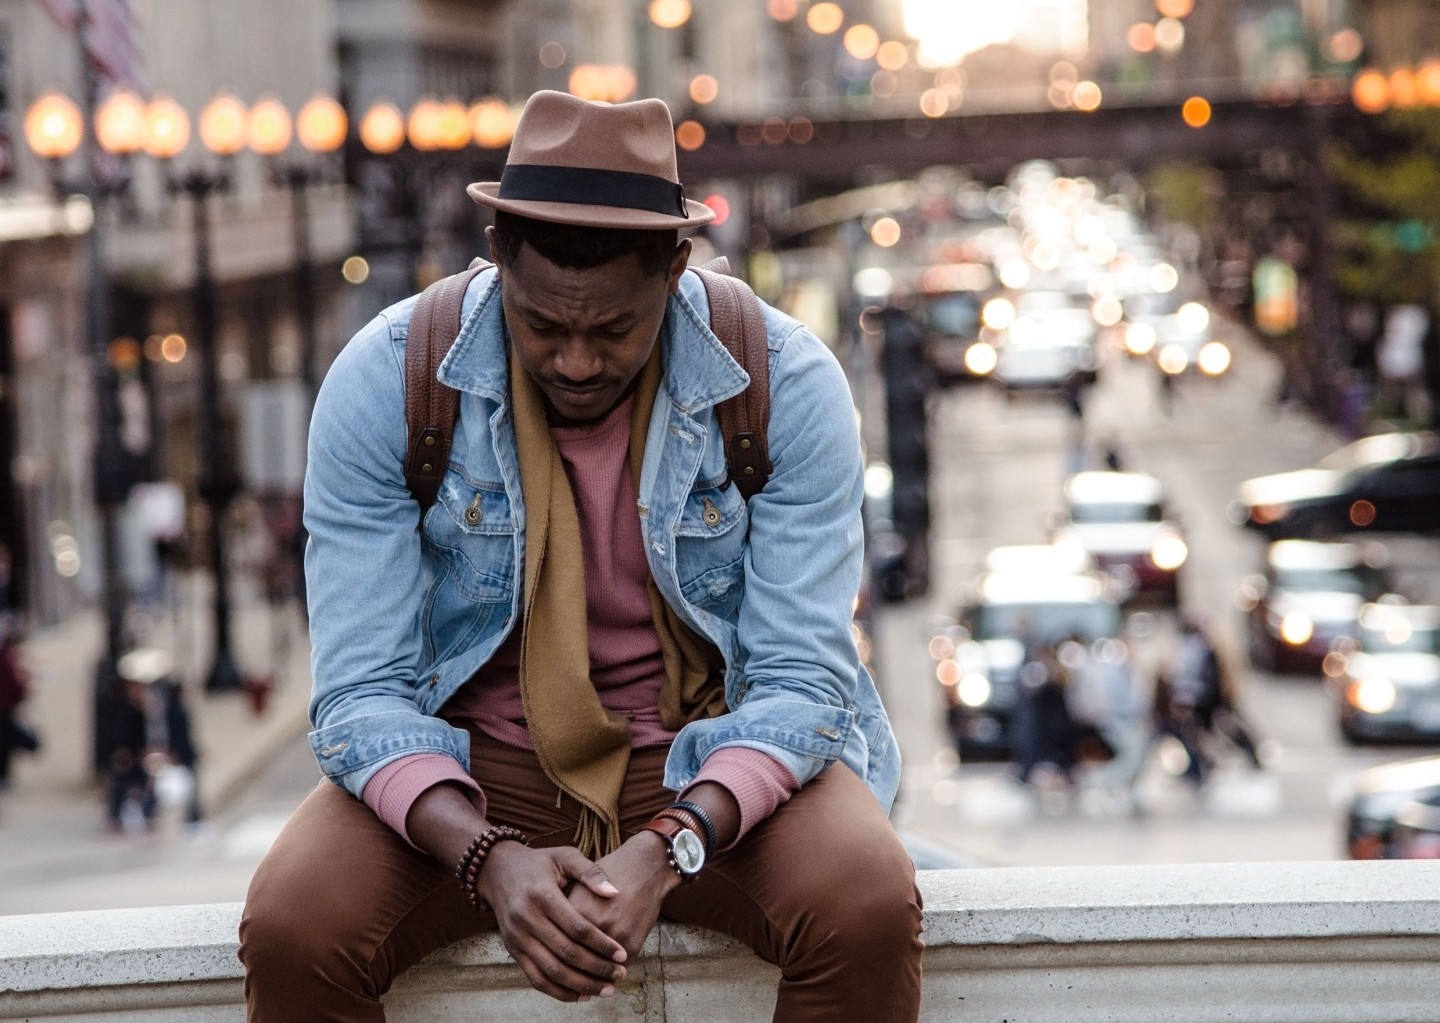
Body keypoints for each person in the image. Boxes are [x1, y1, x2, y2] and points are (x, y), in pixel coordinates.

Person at [239, 91, 922, 1023]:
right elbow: (359, 694)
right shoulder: (387, 378)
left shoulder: (785, 382)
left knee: (865, 901)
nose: (574, 362)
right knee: (295, 925)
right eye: (543, 326)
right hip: (473, 765)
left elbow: (804, 682)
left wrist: (671, 843)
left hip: (708, 753)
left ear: (676, 269)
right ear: (498, 254)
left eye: (613, 331)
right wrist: (486, 855)